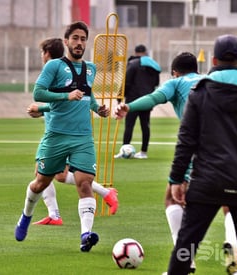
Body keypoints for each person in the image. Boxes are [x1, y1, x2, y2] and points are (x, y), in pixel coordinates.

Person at [115, 52, 237, 274]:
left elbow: (153, 98)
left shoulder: (176, 82)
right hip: (228, 147)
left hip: (199, 148)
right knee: (228, 201)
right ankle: (233, 244)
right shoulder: (208, 81)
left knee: (171, 198)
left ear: (174, 72)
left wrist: (129, 107)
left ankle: (185, 262)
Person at [166, 34, 237, 275]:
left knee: (186, 245)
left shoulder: (201, 91)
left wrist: (177, 179)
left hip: (207, 181)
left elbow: (186, 140)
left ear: (214, 60)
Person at [15, 21, 110, 253]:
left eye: (83, 39)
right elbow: (38, 93)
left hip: (83, 137)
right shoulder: (54, 66)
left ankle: (85, 235)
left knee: (85, 182)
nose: (79, 43)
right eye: (75, 38)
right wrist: (66, 97)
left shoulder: (91, 68)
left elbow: (88, 95)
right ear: (66, 41)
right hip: (56, 136)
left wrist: (98, 109)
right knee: (41, 183)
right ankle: (25, 217)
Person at [27, 37, 118, 226]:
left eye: (43, 52)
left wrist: (40, 109)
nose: (41, 56)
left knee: (48, 174)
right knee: (56, 175)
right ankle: (56, 214)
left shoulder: (60, 69)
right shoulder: (59, 70)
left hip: (65, 133)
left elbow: (71, 102)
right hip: (56, 130)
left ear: (48, 53)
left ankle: (101, 194)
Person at [114, 44, 161, 159]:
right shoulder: (154, 66)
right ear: (145, 52)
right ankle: (144, 152)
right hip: (147, 99)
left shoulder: (133, 64)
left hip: (133, 100)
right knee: (145, 125)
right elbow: (156, 83)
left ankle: (125, 149)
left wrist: (120, 98)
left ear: (135, 52)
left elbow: (126, 82)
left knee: (129, 125)